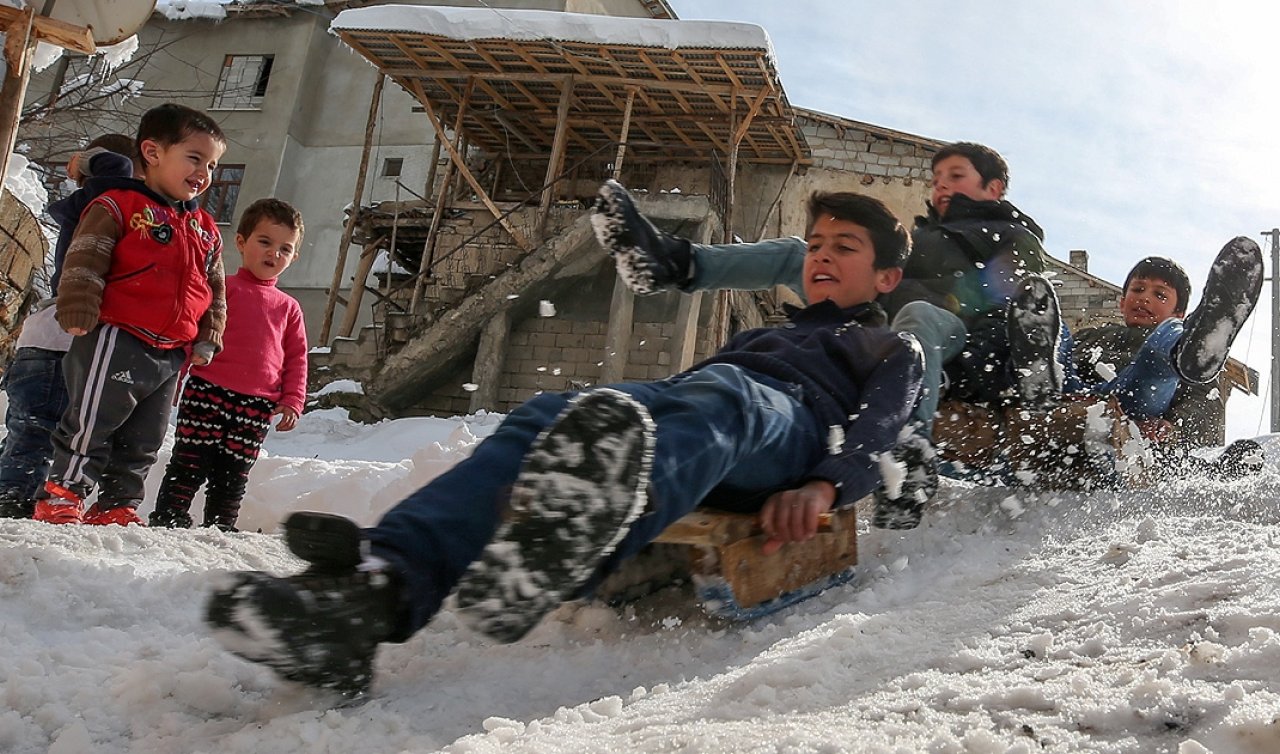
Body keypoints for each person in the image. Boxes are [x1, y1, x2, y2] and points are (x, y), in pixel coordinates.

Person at [205, 190, 924, 697]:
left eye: (845, 248)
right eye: (817, 245)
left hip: (781, 428)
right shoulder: (761, 332)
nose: (821, 256)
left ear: (886, 276)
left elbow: (878, 432)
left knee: (725, 393)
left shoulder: (888, 345)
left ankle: (574, 544)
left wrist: (826, 485)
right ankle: (373, 594)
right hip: (705, 410)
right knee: (548, 411)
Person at [594, 142, 1051, 527]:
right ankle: (673, 263)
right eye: (935, 178)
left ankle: (909, 453)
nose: (940, 185)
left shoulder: (1011, 234)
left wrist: (970, 336)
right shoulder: (921, 235)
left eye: (955, 175)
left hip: (953, 336)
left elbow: (1009, 300)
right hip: (877, 319)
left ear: (993, 188)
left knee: (918, 315)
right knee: (803, 253)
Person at [31, 103, 228, 526]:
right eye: (194, 158)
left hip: (172, 349)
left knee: (146, 436)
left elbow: (213, 289)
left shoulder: (205, 229)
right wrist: (78, 303)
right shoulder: (119, 204)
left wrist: (209, 334)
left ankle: (117, 503)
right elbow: (86, 256)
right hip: (117, 335)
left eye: (211, 164)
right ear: (153, 153)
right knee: (92, 419)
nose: (204, 172)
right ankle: (64, 493)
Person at [149, 198, 308, 531]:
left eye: (284, 249)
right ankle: (169, 516)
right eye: (265, 242)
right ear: (241, 242)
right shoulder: (223, 290)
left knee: (234, 470)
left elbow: (296, 357)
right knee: (190, 460)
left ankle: (221, 524)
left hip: (257, 404)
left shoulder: (289, 308)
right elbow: (193, 332)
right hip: (207, 390)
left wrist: (292, 399)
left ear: (294, 257)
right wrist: (174, 379)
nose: (273, 254)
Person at [0, 134, 136, 519]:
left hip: (43, 338)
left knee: (27, 432)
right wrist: (93, 159)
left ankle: (11, 497)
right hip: (62, 341)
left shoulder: (86, 207)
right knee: (45, 432)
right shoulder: (108, 203)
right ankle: (13, 506)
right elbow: (118, 171)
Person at [1050, 245, 1265, 479]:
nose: (1144, 298)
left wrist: (1173, 428)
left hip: (1134, 423)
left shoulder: (1167, 340)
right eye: (1138, 289)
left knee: (1163, 344)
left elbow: (1204, 404)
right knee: (1057, 333)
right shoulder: (1091, 336)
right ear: (1122, 302)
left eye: (1159, 295)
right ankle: (1034, 354)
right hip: (1073, 410)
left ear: (1179, 312)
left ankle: (1192, 341)